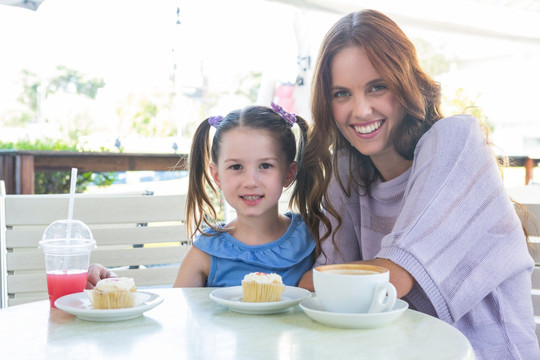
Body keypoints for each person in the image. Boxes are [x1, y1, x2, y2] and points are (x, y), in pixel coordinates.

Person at [291, 9, 539, 359]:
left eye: (377, 87)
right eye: (342, 94)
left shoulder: (454, 140)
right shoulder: (347, 171)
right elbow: (323, 291)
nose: (360, 111)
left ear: (405, 82)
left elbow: (392, 279)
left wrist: (316, 282)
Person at [87, 103, 314, 288]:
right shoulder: (206, 251)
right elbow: (175, 317)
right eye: (236, 167)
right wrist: (111, 285)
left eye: (265, 165)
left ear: (289, 173)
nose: (250, 181)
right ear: (217, 175)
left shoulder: (314, 237)